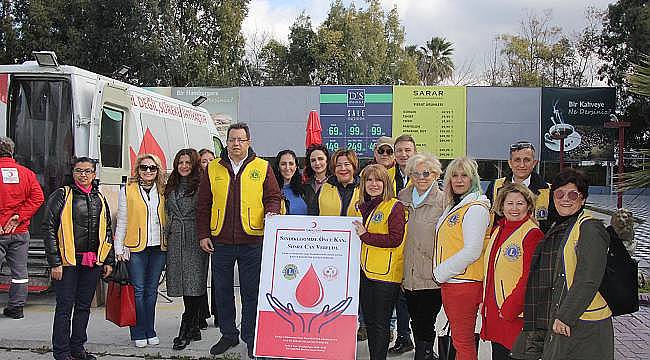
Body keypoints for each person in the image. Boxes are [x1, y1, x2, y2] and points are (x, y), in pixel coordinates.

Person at [197, 123, 281, 359]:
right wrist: (203, 234)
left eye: (241, 140)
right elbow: (203, 204)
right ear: (227, 141)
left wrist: (272, 212)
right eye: (232, 139)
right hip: (220, 241)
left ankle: (251, 337)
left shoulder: (262, 167)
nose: (236, 143)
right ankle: (228, 334)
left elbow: (273, 196)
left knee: (251, 292)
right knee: (222, 290)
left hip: (252, 240)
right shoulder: (213, 168)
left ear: (248, 141)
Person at [512, 169, 613, 360]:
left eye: (573, 194)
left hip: (582, 322)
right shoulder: (562, 225)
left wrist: (565, 316)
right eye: (559, 194)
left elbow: (588, 278)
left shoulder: (590, 228)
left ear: (582, 199)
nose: (565, 199)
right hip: (565, 315)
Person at [42, 157, 115, 360]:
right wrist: (55, 262)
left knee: (83, 307)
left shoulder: (99, 197)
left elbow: (107, 229)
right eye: (79, 171)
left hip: (91, 262)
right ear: (72, 173)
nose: (83, 175)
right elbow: (48, 227)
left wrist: (108, 260)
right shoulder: (61, 195)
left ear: (94, 174)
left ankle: (78, 348)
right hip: (67, 263)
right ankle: (62, 352)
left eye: (87, 171)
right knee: (64, 307)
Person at [434, 156, 490, 360]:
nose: (458, 180)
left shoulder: (475, 208)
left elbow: (473, 250)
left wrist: (440, 273)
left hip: (463, 283)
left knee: (462, 341)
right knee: (460, 339)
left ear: (472, 179)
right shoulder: (456, 205)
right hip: (454, 281)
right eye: (454, 175)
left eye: (464, 175)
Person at [481, 183, 544, 360]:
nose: (514, 208)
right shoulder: (498, 230)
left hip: (514, 316)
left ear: (528, 206)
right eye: (510, 203)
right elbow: (490, 272)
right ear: (501, 206)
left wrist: (510, 309)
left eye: (520, 203)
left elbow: (530, 278)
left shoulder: (532, 234)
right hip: (496, 313)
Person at [352, 164, 407, 360]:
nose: (373, 184)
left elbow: (395, 239)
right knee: (372, 323)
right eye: (369, 180)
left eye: (378, 180)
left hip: (386, 276)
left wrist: (366, 236)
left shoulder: (395, 206)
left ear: (386, 183)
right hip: (367, 273)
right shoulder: (364, 207)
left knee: (381, 324)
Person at [114, 153, 167, 348]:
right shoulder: (127, 190)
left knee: (152, 291)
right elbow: (122, 221)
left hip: (158, 248)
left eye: (152, 168)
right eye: (144, 167)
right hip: (135, 247)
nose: (148, 171)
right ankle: (138, 331)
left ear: (157, 170)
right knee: (138, 291)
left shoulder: (163, 190)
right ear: (138, 169)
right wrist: (118, 247)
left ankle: (150, 329)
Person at [397, 153, 445, 360]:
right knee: (415, 318)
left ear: (435, 174)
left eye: (426, 173)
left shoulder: (444, 201)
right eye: (416, 173)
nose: (421, 177)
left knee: (427, 318)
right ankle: (423, 350)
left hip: (431, 273)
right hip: (408, 272)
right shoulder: (402, 197)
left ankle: (424, 352)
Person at [164, 149, 210, 350]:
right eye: (180, 162)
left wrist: (205, 235)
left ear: (194, 164)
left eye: (188, 162)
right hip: (176, 237)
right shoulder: (171, 184)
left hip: (195, 237)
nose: (184, 166)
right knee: (183, 283)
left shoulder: (202, 184)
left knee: (195, 282)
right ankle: (194, 327)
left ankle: (185, 326)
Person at [0, 136, 44, 319]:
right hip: (20, 231)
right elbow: (38, 198)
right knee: (20, 272)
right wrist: (19, 217)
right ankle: (16, 308)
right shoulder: (26, 173)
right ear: (12, 151)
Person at [485, 141, 554, 231]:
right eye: (517, 160)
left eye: (527, 160)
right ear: (510, 163)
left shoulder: (549, 190)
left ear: (534, 163)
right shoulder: (495, 187)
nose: (522, 165)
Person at [388, 134, 416, 354]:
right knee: (399, 295)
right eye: (399, 151)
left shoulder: (426, 176)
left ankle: (424, 340)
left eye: (408, 150)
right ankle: (404, 336)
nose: (403, 154)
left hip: (418, 243)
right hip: (394, 243)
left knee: (420, 296)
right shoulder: (387, 177)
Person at [198, 147, 216, 329]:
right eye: (204, 161)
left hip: (218, 232)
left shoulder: (219, 179)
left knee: (218, 277)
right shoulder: (196, 182)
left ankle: (218, 313)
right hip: (201, 233)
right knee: (199, 276)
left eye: (211, 160)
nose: (208, 164)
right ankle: (201, 314)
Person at [312, 148, 361, 217]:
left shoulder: (364, 189)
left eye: (347, 164)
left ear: (354, 167)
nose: (343, 168)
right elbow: (312, 216)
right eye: (338, 165)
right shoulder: (324, 189)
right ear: (334, 169)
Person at [274, 150, 308, 215]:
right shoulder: (271, 191)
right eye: (283, 164)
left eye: (291, 164)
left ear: (296, 167)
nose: (287, 168)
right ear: (278, 167)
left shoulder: (305, 190)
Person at [302, 144, 330, 213]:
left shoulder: (336, 183)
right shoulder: (305, 185)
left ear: (327, 160)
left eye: (320, 159)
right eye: (313, 160)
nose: (317, 163)